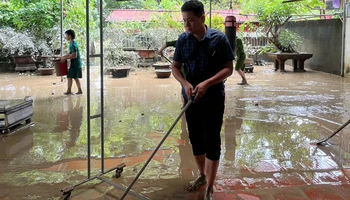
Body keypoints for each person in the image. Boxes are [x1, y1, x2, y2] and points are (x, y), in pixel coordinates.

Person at [171, 1, 234, 199]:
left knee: (212, 140)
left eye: (191, 20)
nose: (187, 25)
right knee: (196, 139)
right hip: (191, 98)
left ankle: (210, 187)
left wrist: (207, 83)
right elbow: (175, 67)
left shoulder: (219, 39)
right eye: (184, 21)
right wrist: (185, 84)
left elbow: (228, 68)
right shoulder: (183, 39)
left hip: (213, 97)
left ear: (202, 18)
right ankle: (202, 176)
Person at [60, 29, 83, 95]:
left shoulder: (73, 44)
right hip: (75, 64)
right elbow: (70, 53)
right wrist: (63, 57)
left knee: (70, 76)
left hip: (76, 64)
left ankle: (69, 91)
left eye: (66, 35)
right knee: (75, 77)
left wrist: (65, 58)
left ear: (69, 36)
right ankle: (79, 90)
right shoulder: (72, 43)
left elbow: (74, 55)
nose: (65, 37)